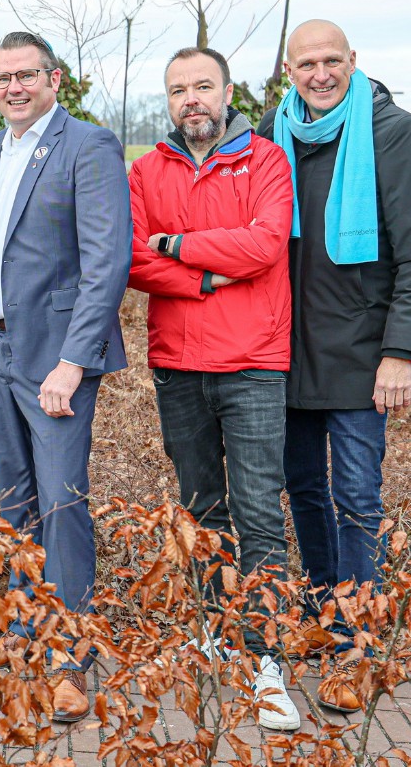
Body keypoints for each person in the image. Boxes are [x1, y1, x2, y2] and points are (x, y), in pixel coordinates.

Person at [0, 30, 130, 724]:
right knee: (12, 502)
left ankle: (68, 657)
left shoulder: (90, 146)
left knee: (61, 503)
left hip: (54, 360)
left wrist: (73, 364)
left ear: (55, 80)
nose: (13, 88)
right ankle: (22, 632)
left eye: (27, 76)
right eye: (3, 78)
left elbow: (107, 262)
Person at [259, 19, 411, 713]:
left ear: (353, 61)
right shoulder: (272, 134)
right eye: (307, 62)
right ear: (289, 69)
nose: (320, 73)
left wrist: (400, 353)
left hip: (364, 356)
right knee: (302, 488)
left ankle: (355, 641)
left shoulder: (394, 134)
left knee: (357, 500)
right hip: (286, 354)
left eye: (332, 60)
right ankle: (318, 607)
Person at [128, 46, 299, 731]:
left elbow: (265, 247)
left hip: (255, 361)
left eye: (203, 86)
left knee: (258, 510)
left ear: (228, 92)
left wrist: (177, 244)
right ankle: (221, 634)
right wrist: (199, 272)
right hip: (178, 363)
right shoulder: (145, 169)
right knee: (200, 510)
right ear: (166, 101)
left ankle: (267, 656)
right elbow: (135, 259)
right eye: (178, 90)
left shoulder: (265, 160)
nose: (191, 100)